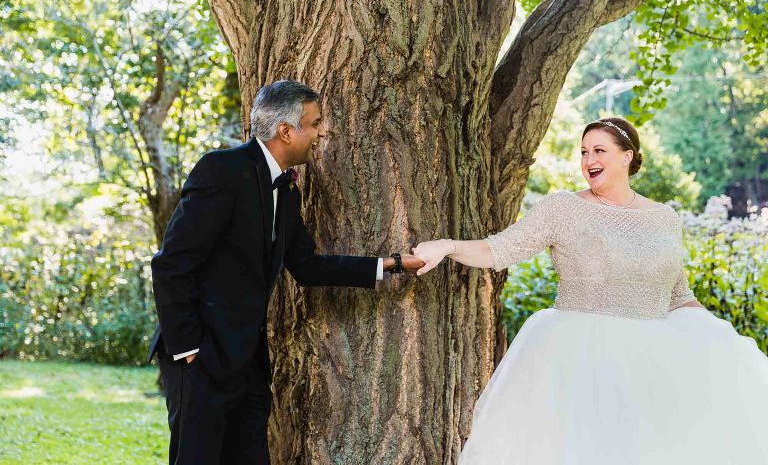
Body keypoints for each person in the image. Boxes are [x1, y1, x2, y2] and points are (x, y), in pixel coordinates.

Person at [413, 117, 768, 464]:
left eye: (599, 150)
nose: (588, 161)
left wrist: (717, 339)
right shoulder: (563, 208)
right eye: (583, 152)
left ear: (627, 156)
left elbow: (678, 294)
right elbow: (500, 249)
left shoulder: (665, 218)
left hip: (652, 365)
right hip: (580, 357)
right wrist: (446, 246)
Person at [147, 80, 424, 465]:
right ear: (286, 130)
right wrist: (191, 351)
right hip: (202, 360)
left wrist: (392, 263)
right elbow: (170, 265)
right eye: (314, 123)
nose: (321, 132)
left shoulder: (289, 193)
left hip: (248, 363)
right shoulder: (222, 171)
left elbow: (308, 267)